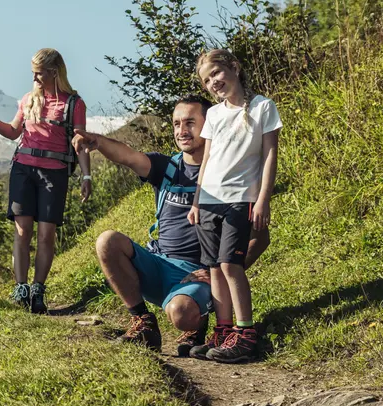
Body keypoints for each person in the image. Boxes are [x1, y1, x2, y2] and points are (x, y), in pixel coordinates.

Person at [72, 95, 270, 357]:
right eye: (177, 124)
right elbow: (128, 156)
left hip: (197, 274)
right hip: (157, 263)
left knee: (181, 313)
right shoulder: (166, 167)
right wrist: (97, 141)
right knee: (107, 241)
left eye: (190, 123)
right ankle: (143, 322)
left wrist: (221, 273)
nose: (182, 131)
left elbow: (260, 237)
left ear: (211, 125)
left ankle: (196, 324)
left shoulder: (228, 175)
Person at [186, 49, 281, 363]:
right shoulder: (213, 114)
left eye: (216, 73)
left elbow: (269, 156)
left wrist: (263, 198)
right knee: (214, 268)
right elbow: (207, 160)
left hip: (240, 199)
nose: (213, 82)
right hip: (208, 201)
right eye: (206, 80)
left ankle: (245, 333)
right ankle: (223, 330)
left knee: (230, 264)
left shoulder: (263, 107)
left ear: (234, 68)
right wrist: (196, 201)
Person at [0, 48, 92, 314]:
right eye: (33, 73)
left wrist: (86, 175)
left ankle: (38, 290)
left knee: (46, 235)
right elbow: (13, 132)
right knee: (22, 231)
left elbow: (80, 142)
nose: (34, 78)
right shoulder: (28, 100)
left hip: (54, 172)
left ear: (54, 72)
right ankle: (21, 288)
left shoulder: (74, 104)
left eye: (39, 73)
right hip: (23, 169)